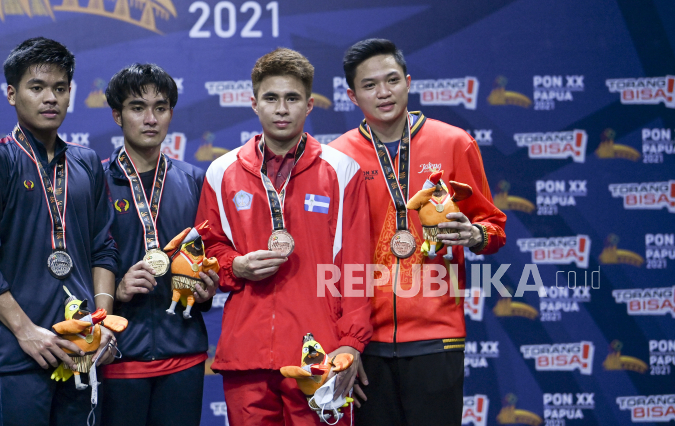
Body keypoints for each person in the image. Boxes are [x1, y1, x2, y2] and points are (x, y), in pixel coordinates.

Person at [329, 38, 507, 426]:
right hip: (365, 343)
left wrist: (475, 235)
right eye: (370, 85)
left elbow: (495, 230)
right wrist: (344, 343)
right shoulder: (337, 158)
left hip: (436, 336)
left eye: (392, 80)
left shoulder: (454, 142)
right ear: (351, 95)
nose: (384, 92)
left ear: (408, 81)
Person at [195, 47, 372, 426]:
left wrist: (350, 343)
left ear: (309, 105)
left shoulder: (342, 171)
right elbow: (209, 248)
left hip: (319, 355)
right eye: (271, 98)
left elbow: (357, 264)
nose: (281, 108)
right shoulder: (222, 171)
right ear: (253, 103)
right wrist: (235, 265)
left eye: (292, 98)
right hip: (247, 355)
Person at [0, 37, 118, 425]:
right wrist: (26, 331)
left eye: (60, 89)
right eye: (37, 87)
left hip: (81, 354)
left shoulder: (87, 162)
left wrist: (104, 323)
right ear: (12, 94)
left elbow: (103, 249)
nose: (51, 98)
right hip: (17, 355)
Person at [100, 63, 218, 426]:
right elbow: (80, 260)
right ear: (118, 115)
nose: (150, 118)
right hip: (117, 354)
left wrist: (208, 289)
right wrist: (116, 289)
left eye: (161, 108)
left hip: (183, 354)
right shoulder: (95, 182)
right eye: (138, 108)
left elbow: (211, 258)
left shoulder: (196, 180)